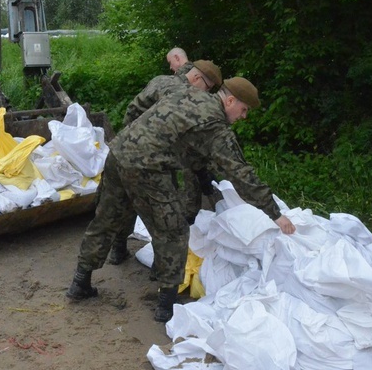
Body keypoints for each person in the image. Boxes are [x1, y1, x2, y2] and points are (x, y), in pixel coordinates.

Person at [66, 76, 295, 323]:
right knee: (173, 232)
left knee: (105, 219)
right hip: (148, 168)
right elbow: (241, 173)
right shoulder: (216, 126)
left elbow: (152, 111)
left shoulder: (185, 92)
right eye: (244, 110)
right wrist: (275, 214)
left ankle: (80, 282)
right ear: (230, 101)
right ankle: (166, 304)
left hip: (119, 154)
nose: (244, 117)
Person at [107, 60, 223, 266]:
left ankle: (118, 248)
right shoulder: (184, 96)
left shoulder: (159, 81)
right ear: (196, 78)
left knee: (127, 202)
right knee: (162, 212)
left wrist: (131, 137)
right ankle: (162, 266)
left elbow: (132, 110)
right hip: (157, 159)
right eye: (207, 87)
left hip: (129, 151)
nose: (207, 92)